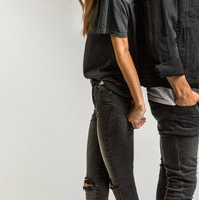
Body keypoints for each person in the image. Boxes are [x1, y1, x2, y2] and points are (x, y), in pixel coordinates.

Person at [135, 0, 199, 199]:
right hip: (175, 93)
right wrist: (182, 91)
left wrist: (193, 99)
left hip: (181, 93)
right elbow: (161, 31)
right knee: (182, 182)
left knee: (172, 177)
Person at [78, 0, 146, 199]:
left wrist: (137, 102)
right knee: (98, 183)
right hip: (107, 95)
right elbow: (122, 51)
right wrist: (139, 102)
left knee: (108, 183)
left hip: (111, 94)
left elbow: (125, 51)